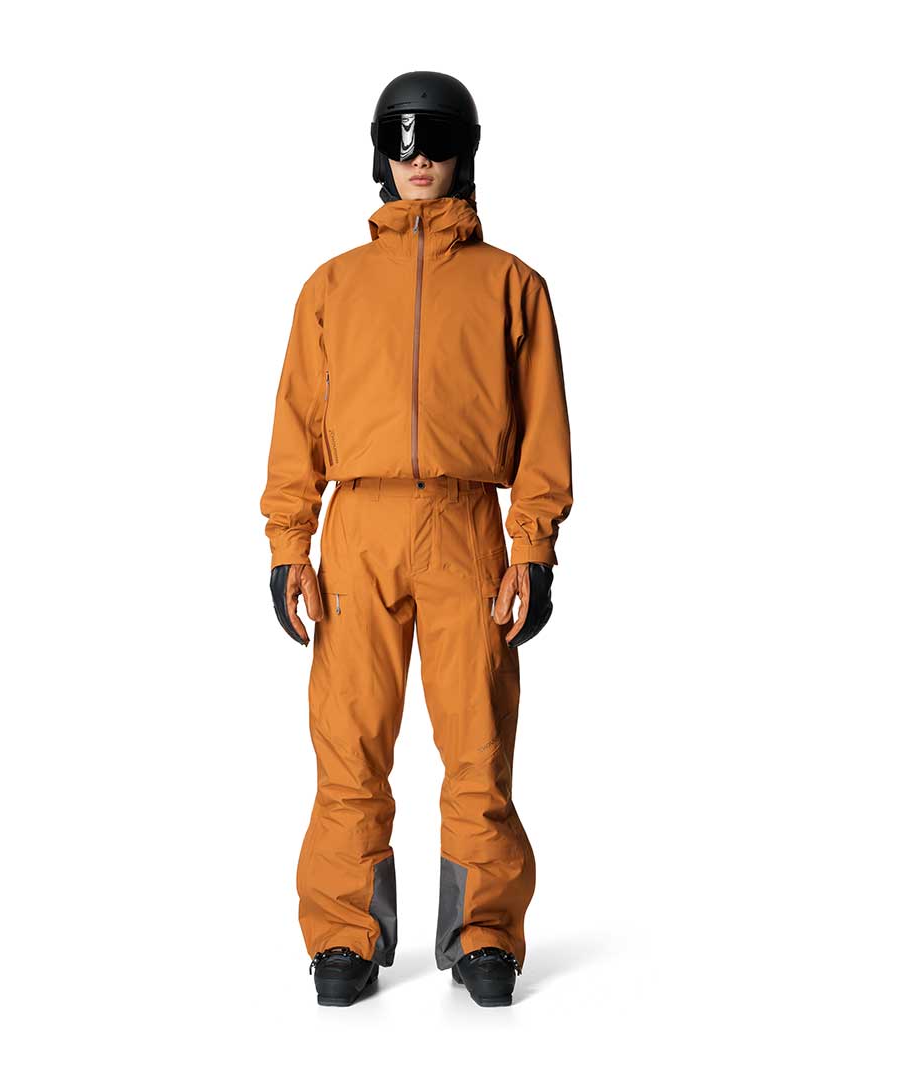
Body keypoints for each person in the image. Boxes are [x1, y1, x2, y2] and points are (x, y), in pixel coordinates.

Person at [260, 71, 573, 1008]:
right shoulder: (333, 286)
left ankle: (485, 933)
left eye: (437, 142)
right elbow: (295, 424)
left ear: (465, 154)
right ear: (380, 155)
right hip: (357, 527)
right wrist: (289, 546)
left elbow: (544, 429)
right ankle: (344, 932)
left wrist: (533, 550)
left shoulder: (513, 285)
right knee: (350, 742)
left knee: (477, 744)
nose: (420, 159)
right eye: (404, 142)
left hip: (465, 527)